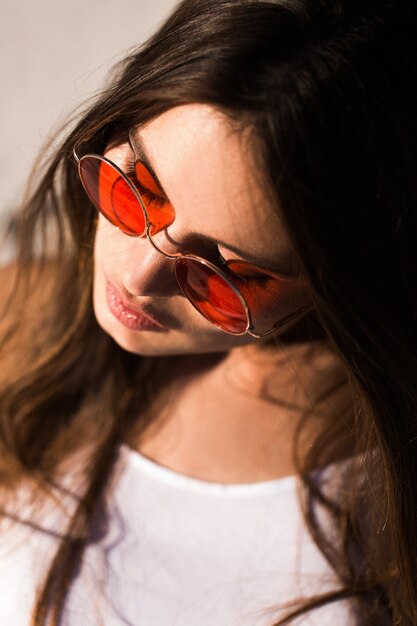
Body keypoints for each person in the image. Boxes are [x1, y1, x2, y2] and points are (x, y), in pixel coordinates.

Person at [0, 0, 415, 624]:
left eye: (232, 274)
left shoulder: (390, 494)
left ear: (344, 283)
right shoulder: (16, 317)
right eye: (136, 186)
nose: (140, 277)